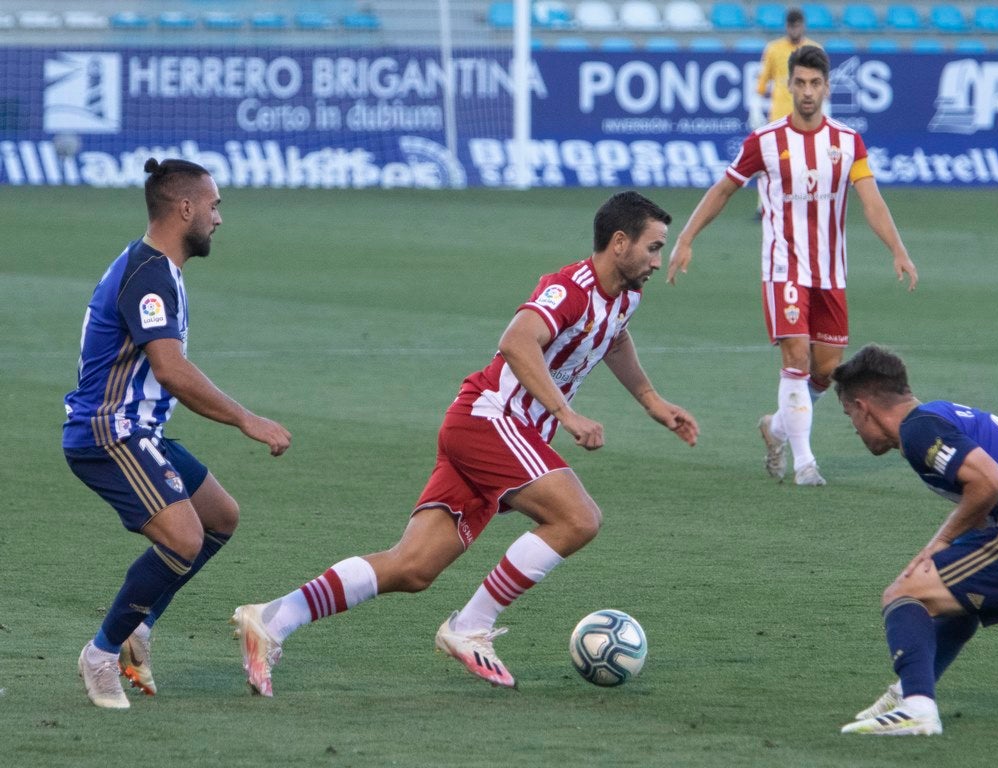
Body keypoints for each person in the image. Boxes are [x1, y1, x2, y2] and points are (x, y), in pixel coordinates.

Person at [231, 191, 698, 695]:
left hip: (494, 431)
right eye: (653, 248)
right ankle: (470, 627)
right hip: (492, 421)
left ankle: (274, 619)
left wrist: (651, 399)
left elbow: (614, 335)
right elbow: (517, 341)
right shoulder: (571, 289)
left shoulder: (625, 297)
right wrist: (566, 414)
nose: (658, 260)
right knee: (578, 518)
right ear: (620, 242)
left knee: (413, 567)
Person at [64, 157, 293, 709]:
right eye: (214, 206)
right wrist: (246, 418)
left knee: (219, 518)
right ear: (185, 207)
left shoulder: (156, 268)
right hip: (108, 433)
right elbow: (170, 368)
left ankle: (139, 627)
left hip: (140, 429)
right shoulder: (150, 275)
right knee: (184, 538)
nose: (218, 218)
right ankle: (100, 655)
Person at [668, 45, 917, 487]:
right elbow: (723, 189)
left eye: (815, 83)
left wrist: (897, 248)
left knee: (826, 369)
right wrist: (686, 239)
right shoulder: (765, 141)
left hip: (830, 272)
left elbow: (871, 200)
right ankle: (805, 463)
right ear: (788, 85)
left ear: (826, 86)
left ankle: (777, 426)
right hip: (784, 268)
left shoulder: (847, 141)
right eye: (799, 83)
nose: (807, 92)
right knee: (797, 357)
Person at [831, 344, 998, 736]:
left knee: (904, 593)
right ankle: (907, 692)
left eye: (848, 414)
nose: (853, 426)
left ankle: (918, 709)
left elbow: (991, 482)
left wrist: (939, 542)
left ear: (862, 405)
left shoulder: (919, 428)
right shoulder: (938, 419)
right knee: (955, 606)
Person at [754, 7, 820, 127]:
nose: (794, 30)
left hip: (807, 114)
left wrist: (825, 109)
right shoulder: (774, 49)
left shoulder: (814, 49)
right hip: (780, 115)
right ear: (786, 26)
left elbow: (821, 82)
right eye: (791, 27)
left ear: (803, 26)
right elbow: (762, 80)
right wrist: (756, 109)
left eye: (797, 26)